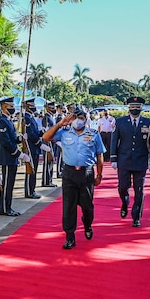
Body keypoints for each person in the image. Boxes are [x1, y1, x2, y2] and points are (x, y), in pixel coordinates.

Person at [43, 107, 105, 249]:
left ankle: (87, 224)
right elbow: (46, 137)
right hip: (69, 174)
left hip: (86, 174)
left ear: (86, 119)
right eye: (75, 118)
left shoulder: (94, 134)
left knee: (87, 206)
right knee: (68, 206)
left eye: (81, 118)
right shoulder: (64, 133)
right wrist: (60, 124)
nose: (78, 121)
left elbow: (100, 155)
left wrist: (99, 174)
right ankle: (70, 236)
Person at [110, 96, 150, 227]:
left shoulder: (148, 122)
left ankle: (136, 217)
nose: (135, 109)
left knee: (139, 190)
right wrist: (113, 158)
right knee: (122, 187)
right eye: (132, 107)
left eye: (137, 107)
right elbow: (114, 141)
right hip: (124, 160)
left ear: (141, 108)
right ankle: (125, 203)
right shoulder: (120, 122)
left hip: (140, 161)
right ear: (128, 108)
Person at [0, 97, 31, 216]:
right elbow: (5, 142)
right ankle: (5, 208)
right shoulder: (2, 121)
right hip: (7, 157)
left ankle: (7, 207)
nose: (13, 108)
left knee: (10, 184)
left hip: (12, 158)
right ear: (5, 107)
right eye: (11, 106)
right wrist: (18, 154)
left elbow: (12, 139)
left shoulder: (9, 121)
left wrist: (20, 139)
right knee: (7, 185)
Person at [22, 97, 42, 199]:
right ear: (28, 106)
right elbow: (30, 134)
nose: (34, 107)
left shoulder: (31, 117)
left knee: (33, 170)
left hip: (34, 148)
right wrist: (39, 143)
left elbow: (35, 132)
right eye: (32, 105)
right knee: (31, 170)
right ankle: (29, 191)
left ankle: (32, 189)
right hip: (31, 148)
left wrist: (41, 133)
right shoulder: (27, 118)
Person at [41, 101, 58, 187]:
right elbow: (45, 131)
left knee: (51, 161)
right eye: (52, 108)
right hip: (48, 142)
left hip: (52, 141)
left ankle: (49, 180)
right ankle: (45, 181)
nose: (54, 109)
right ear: (47, 108)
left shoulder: (51, 117)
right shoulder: (46, 118)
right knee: (47, 161)